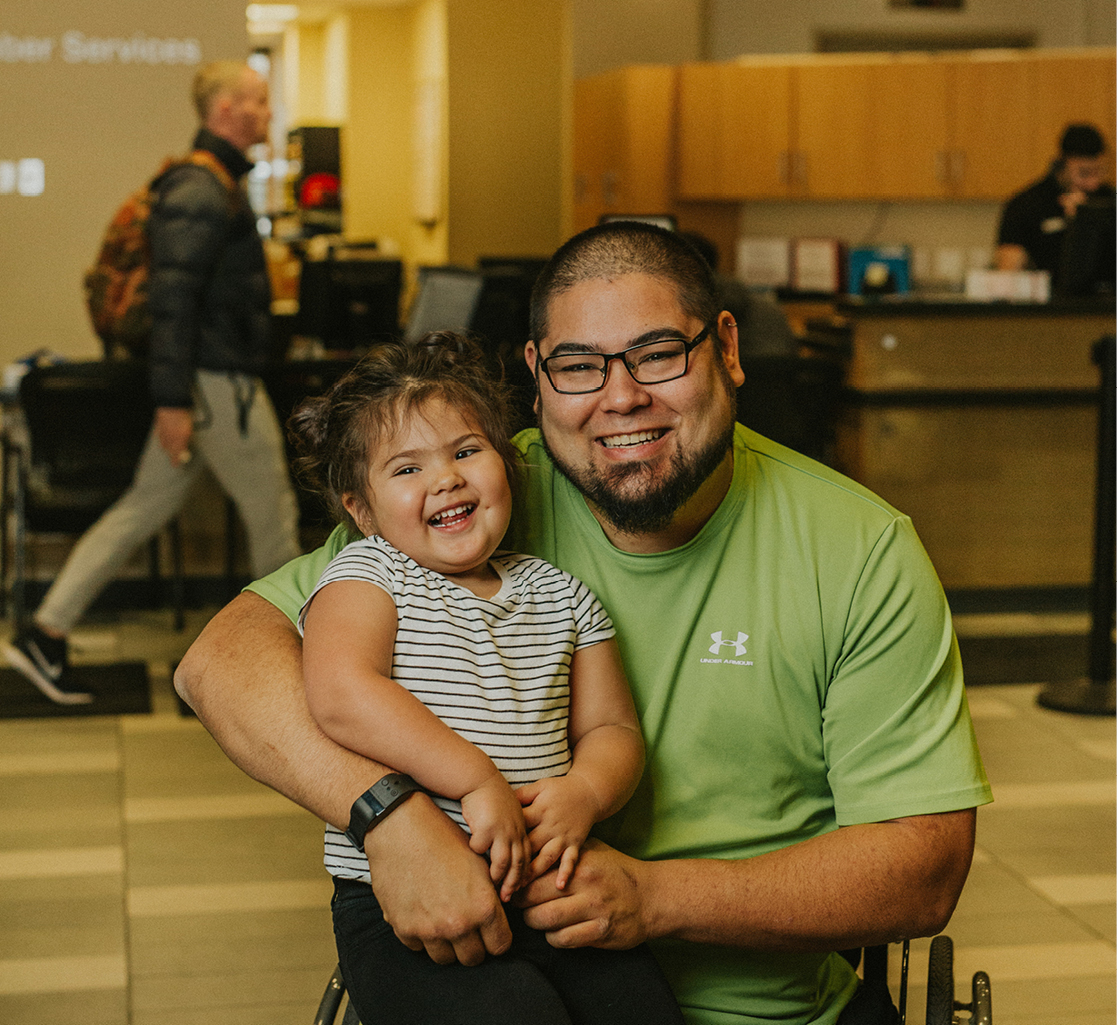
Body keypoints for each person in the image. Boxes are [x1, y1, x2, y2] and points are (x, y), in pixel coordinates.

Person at [176, 222, 992, 1025]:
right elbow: (220, 662)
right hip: (490, 957)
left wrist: (653, 899)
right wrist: (388, 817)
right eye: (578, 366)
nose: (620, 396)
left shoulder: (858, 548)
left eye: (658, 353)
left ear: (727, 348)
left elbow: (923, 867)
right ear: (536, 375)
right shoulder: (469, 506)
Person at [288, 333, 683, 1024]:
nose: (446, 478)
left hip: (547, 882)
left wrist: (585, 792)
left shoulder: (563, 594)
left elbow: (610, 727)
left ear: (508, 464)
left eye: (466, 451)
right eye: (407, 469)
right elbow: (342, 694)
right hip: (398, 907)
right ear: (360, 509)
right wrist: (474, 779)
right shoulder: (369, 574)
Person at [5, 60, 301, 704]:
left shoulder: (213, 182)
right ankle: (288, 675)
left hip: (206, 384)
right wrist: (173, 401)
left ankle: (45, 630)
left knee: (145, 506)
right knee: (273, 520)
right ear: (223, 110)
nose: (268, 113)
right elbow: (173, 304)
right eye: (256, 101)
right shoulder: (201, 189)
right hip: (218, 387)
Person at [995, 122, 1115, 282]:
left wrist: (1087, 219)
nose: (1093, 183)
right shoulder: (1026, 205)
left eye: (1099, 172)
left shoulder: (1110, 200)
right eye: (1084, 173)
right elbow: (1008, 273)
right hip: (1047, 304)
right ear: (1062, 164)